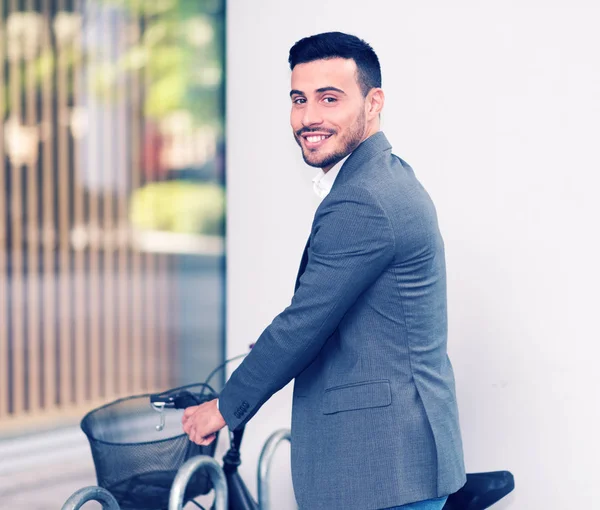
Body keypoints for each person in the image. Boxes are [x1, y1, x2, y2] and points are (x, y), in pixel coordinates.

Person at [182, 32, 466, 510]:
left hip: (380, 470)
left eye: (329, 98)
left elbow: (304, 324)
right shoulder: (386, 176)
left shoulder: (364, 198)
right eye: (299, 99)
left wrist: (223, 409)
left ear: (374, 102)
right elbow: (347, 315)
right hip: (397, 463)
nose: (308, 116)